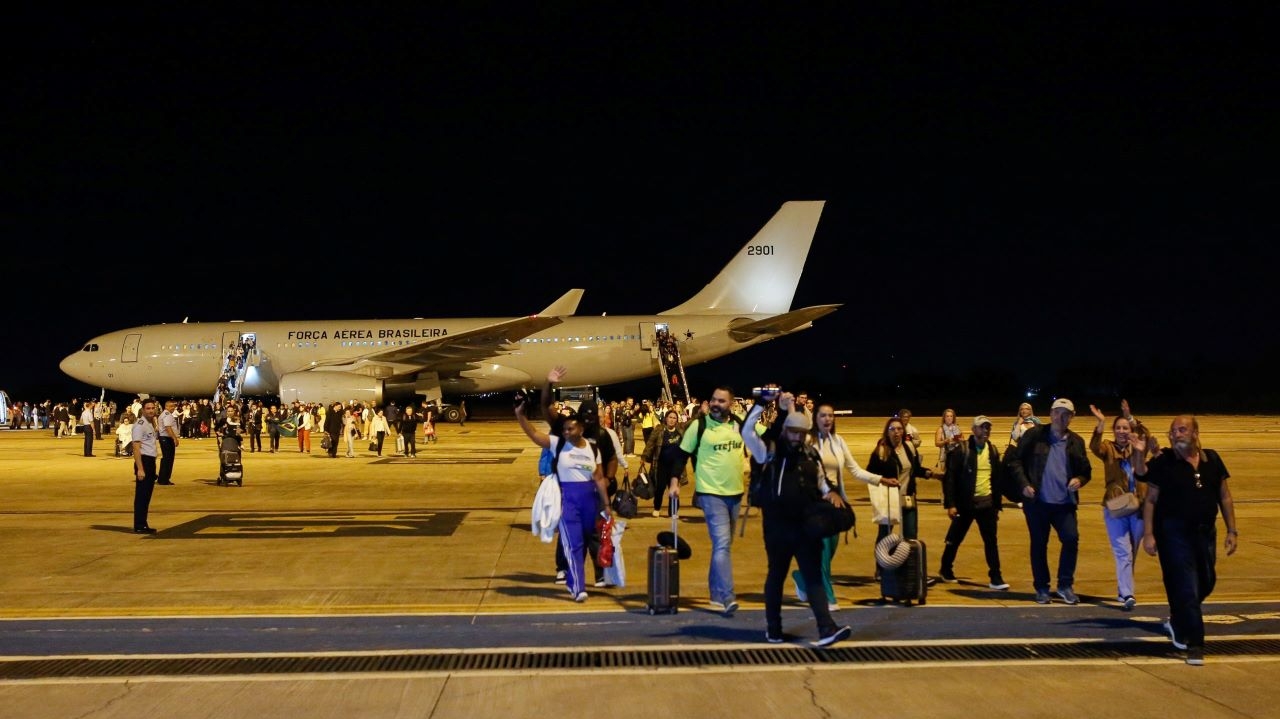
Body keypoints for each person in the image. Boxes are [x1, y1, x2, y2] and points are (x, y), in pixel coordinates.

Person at [741, 392, 852, 647]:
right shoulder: (767, 451)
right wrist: (761, 403)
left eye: (801, 433)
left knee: (813, 576)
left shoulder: (811, 455)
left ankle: (826, 628)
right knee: (776, 576)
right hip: (778, 526)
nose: (797, 437)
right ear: (784, 430)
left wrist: (832, 495)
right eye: (792, 432)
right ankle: (774, 629)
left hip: (806, 525)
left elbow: (822, 483)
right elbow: (747, 431)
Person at [1135, 415, 1238, 666]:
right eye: (1173, 430)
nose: (1177, 434)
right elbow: (1149, 498)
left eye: (1183, 429)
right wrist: (1148, 534)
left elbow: (1224, 496)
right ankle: (1195, 643)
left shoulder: (1212, 460)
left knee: (1207, 581)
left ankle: (1178, 618)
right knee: (1186, 586)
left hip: (1205, 532)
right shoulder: (1165, 462)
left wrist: (1232, 530)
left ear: (1195, 433)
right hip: (1173, 532)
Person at [515, 392, 611, 602]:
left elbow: (599, 477)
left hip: (590, 501)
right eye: (564, 429)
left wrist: (606, 505)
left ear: (581, 429)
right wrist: (520, 416)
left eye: (571, 428)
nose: (566, 432)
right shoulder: (558, 444)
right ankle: (578, 586)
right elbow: (534, 434)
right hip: (568, 500)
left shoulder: (592, 449)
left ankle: (585, 578)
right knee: (573, 544)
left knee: (589, 541)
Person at [804, 403, 898, 608]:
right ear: (815, 419)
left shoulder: (838, 441)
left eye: (830, 415)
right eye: (823, 415)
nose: (827, 419)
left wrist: (881, 479)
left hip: (837, 502)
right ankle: (827, 597)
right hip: (816, 501)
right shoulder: (808, 441)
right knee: (823, 551)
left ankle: (801, 578)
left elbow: (855, 470)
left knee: (831, 549)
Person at [1005, 398, 1092, 605]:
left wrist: (1079, 480)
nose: (1061, 418)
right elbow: (1014, 460)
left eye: (1066, 414)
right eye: (1057, 413)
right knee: (1039, 545)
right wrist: (1024, 484)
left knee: (1071, 540)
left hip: (1064, 505)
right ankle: (1042, 588)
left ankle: (1064, 585)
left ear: (1072, 417)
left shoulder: (1076, 442)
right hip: (1037, 504)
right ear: (1051, 414)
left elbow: (1086, 470)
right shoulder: (1034, 435)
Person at [676, 384, 746, 616]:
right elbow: (682, 454)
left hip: (735, 493)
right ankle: (727, 596)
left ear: (731, 403)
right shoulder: (699, 425)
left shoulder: (739, 423)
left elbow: (767, 435)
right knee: (723, 543)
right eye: (714, 400)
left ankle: (715, 595)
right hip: (710, 492)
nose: (716, 404)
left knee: (723, 547)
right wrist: (674, 482)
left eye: (722, 401)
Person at [1089, 401, 1159, 610]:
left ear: (1131, 430)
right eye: (1118, 428)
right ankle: (1128, 594)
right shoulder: (1108, 448)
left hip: (1138, 506)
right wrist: (1100, 423)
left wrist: (1129, 416)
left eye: (1125, 428)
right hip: (1117, 506)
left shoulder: (1139, 447)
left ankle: (1123, 590)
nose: (1121, 431)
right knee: (1123, 551)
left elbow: (1146, 434)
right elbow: (1094, 446)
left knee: (1132, 552)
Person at [938, 416, 1009, 589]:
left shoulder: (992, 450)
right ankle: (946, 569)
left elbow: (997, 478)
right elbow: (950, 479)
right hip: (965, 504)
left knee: (991, 541)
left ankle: (996, 577)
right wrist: (951, 504)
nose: (986, 431)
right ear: (973, 430)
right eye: (982, 427)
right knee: (955, 538)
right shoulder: (961, 451)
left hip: (986, 505)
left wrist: (996, 504)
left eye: (988, 428)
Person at [866, 415, 938, 577]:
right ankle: (881, 568)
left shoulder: (909, 448)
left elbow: (915, 470)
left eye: (899, 429)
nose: (896, 432)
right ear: (887, 432)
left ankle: (907, 568)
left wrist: (930, 474)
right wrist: (884, 481)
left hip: (908, 498)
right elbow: (870, 473)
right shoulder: (882, 451)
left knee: (910, 536)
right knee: (885, 536)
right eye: (892, 429)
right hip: (889, 499)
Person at [642, 409, 686, 518]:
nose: (672, 420)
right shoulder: (659, 429)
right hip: (661, 464)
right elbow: (650, 443)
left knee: (673, 488)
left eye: (674, 418)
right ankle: (657, 508)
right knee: (660, 488)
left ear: (677, 420)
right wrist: (644, 456)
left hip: (675, 466)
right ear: (666, 418)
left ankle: (673, 512)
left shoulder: (680, 430)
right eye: (670, 417)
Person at [131, 398, 161, 534]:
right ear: (142, 410)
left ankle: (143, 523)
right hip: (143, 461)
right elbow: (136, 448)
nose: (151, 410)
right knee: (142, 495)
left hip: (150, 461)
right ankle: (139, 525)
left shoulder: (150, 423)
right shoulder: (140, 425)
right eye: (148, 408)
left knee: (147, 494)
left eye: (152, 408)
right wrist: (140, 469)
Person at [157, 400, 181, 484]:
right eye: (171, 406)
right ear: (166, 406)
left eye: (174, 406)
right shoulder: (167, 415)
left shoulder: (164, 414)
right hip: (166, 438)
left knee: (166, 459)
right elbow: (168, 428)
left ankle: (162, 478)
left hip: (164, 438)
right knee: (168, 459)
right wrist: (174, 438)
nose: (173, 408)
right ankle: (164, 479)